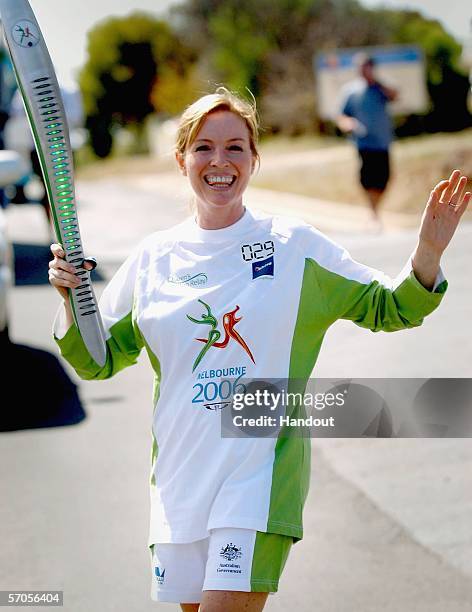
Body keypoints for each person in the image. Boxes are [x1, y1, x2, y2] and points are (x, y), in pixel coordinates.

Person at [48, 87, 470, 612]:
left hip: (256, 478)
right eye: (203, 147)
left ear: (253, 160)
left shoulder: (294, 246)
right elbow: (97, 359)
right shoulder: (153, 258)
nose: (219, 161)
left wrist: (426, 255)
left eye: (235, 148)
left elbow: (390, 307)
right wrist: (70, 299)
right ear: (181, 160)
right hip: (180, 479)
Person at [337, 54, 398, 229]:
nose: (363, 70)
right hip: (363, 142)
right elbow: (342, 114)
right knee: (367, 179)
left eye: (366, 66)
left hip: (383, 141)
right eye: (360, 67)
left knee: (385, 178)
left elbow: (395, 95)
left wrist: (377, 83)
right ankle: (374, 213)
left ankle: (375, 210)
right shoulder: (351, 91)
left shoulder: (381, 88)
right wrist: (347, 123)